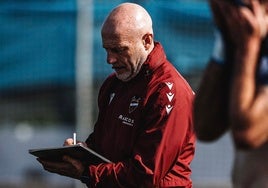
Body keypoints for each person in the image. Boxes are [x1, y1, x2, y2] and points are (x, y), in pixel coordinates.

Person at [37, 2, 196, 187]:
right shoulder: (113, 84)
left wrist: (86, 172)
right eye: (107, 49)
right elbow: (101, 144)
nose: (109, 59)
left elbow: (146, 174)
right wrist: (80, 152)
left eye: (119, 49)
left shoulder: (169, 93)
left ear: (146, 41)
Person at [194, 0, 268, 187]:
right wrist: (224, 43)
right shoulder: (249, 36)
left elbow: (247, 133)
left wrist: (247, 49)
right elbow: (204, 127)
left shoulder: (250, 43)